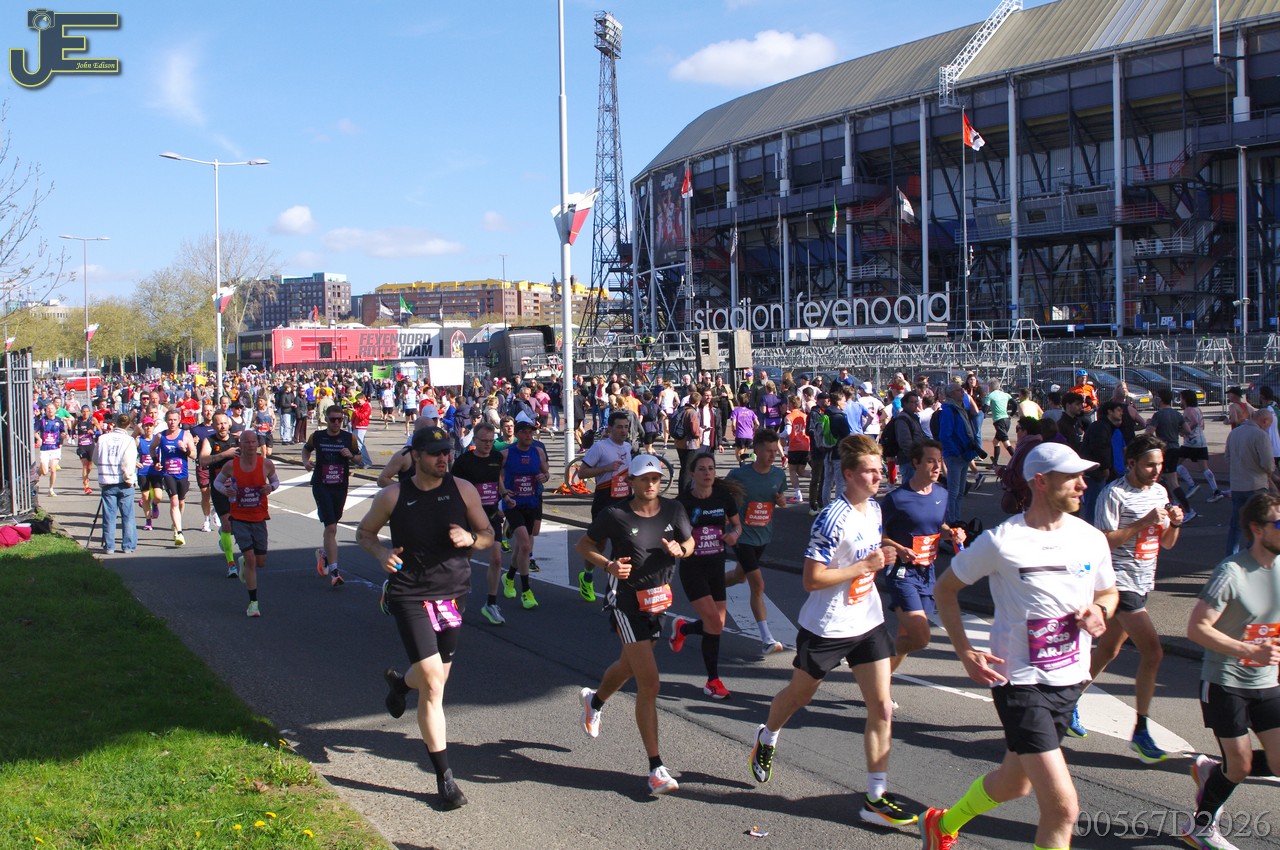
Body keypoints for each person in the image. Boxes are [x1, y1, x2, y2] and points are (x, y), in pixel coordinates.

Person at [922, 442, 1116, 850]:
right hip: (1020, 684)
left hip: (1070, 681)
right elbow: (945, 589)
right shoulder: (1002, 541)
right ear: (1041, 482)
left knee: (1015, 783)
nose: (1083, 485)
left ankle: (942, 824)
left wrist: (1100, 610)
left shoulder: (1091, 538)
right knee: (1063, 809)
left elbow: (1108, 591)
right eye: (1072, 477)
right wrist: (965, 651)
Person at [749, 434, 917, 829]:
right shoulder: (831, 518)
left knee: (881, 707)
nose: (879, 477)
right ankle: (768, 734)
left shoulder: (874, 509)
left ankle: (875, 797)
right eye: (871, 471)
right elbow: (812, 579)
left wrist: (891, 548)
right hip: (827, 626)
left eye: (880, 470)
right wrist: (864, 566)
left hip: (868, 620)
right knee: (799, 695)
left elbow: (868, 540)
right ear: (850, 475)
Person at [357, 425, 495, 810]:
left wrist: (472, 539)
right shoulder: (393, 495)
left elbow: (487, 533)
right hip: (410, 594)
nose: (443, 458)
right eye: (435, 453)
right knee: (434, 684)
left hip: (453, 594)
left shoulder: (463, 490)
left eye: (447, 452)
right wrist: (381, 553)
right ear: (415, 456)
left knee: (435, 678)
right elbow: (364, 533)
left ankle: (401, 684)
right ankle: (445, 778)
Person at [575, 453, 695, 796]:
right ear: (631, 481)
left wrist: (681, 550)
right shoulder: (616, 515)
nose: (651, 484)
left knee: (629, 665)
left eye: (655, 478)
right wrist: (608, 565)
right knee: (650, 682)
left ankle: (595, 701)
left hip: (657, 602)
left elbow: (689, 541)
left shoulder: (674, 510)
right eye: (644, 479)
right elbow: (584, 545)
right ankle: (656, 768)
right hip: (626, 602)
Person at [1183, 492, 1280, 850]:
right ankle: (1200, 827)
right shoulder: (1232, 572)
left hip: (1266, 681)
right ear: (1257, 528)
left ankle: (1213, 771)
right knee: (1238, 766)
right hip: (1224, 681)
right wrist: (1250, 650)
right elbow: (1196, 628)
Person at [1080, 434, 1184, 755]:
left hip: (1142, 581)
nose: (1156, 471)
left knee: (1109, 649)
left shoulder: (1160, 493)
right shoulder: (1114, 494)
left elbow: (1167, 543)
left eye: (1160, 465)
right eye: (1150, 465)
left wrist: (1175, 524)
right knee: (1153, 653)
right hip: (1118, 583)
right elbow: (1104, 541)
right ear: (1131, 464)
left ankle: (1065, 700)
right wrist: (1143, 522)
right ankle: (1141, 730)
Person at [880, 439, 965, 672]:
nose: (937, 467)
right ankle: (874, 665)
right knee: (921, 637)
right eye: (930, 461)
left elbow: (938, 526)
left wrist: (952, 534)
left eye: (939, 461)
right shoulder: (897, 499)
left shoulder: (941, 494)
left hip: (927, 572)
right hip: (901, 572)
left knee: (907, 634)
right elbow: (876, 534)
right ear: (916, 463)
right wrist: (899, 548)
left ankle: (880, 680)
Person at [671, 451, 743, 699]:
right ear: (692, 473)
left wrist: (733, 535)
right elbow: (671, 533)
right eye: (701, 469)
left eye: (711, 469)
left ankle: (683, 629)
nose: (707, 473)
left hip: (716, 567)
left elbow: (737, 525)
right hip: (693, 569)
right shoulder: (682, 503)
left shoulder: (723, 498)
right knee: (713, 622)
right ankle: (712, 681)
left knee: (717, 626)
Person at [726, 428, 790, 655]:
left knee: (738, 576)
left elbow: (779, 498)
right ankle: (766, 638)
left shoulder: (778, 475)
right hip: (742, 536)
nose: (772, 455)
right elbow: (724, 498)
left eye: (775, 451)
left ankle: (709, 585)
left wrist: (781, 501)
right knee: (758, 584)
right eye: (768, 451)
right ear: (756, 450)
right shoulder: (739, 475)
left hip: (763, 535)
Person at [213, 430, 280, 618]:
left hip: (259, 517)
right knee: (251, 559)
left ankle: (244, 562)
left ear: (257, 444)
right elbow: (217, 483)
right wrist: (225, 491)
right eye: (246, 442)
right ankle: (253, 603)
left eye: (253, 442)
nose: (250, 445)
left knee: (260, 562)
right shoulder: (231, 466)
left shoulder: (266, 464)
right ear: (240, 444)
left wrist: (270, 487)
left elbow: (275, 481)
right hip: (239, 517)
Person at [303, 404, 365, 587]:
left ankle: (324, 554)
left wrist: (351, 456)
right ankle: (335, 571)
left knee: (334, 525)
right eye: (333, 420)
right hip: (321, 485)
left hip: (340, 485)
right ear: (327, 419)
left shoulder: (348, 438)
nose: (337, 423)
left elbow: (359, 459)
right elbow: (306, 449)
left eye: (340, 419)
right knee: (330, 527)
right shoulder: (317, 436)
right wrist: (306, 462)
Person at [451, 423, 507, 624]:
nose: (488, 445)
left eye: (491, 441)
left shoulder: (496, 458)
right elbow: (453, 488)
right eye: (484, 441)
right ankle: (459, 598)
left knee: (497, 559)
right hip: (470, 517)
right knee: (464, 562)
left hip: (491, 515)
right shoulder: (464, 462)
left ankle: (491, 604)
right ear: (475, 440)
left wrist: (505, 495)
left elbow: (497, 479)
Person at [575, 411, 633, 602]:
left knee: (624, 544)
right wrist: (606, 469)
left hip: (624, 501)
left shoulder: (628, 447)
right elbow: (582, 473)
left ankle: (619, 588)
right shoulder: (600, 448)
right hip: (604, 500)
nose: (623, 430)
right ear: (610, 428)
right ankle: (587, 576)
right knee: (599, 543)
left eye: (626, 427)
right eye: (619, 427)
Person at [497, 419, 548, 611]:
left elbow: (546, 473)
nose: (529, 435)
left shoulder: (538, 452)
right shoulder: (506, 453)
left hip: (531, 503)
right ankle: (526, 590)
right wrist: (504, 493)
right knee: (526, 545)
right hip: (513, 504)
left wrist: (544, 477)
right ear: (517, 434)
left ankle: (509, 577)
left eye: (531, 432)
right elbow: (495, 474)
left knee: (522, 546)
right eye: (525, 432)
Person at [1224, 407, 1276, 556]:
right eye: (1268, 425)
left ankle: (1230, 556)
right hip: (1256, 485)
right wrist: (1270, 473)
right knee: (1257, 526)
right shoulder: (1260, 435)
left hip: (1237, 484)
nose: (1267, 428)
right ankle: (1253, 558)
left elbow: (1227, 457)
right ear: (1264, 421)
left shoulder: (1234, 433)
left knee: (1236, 526)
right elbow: (1267, 463)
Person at [199, 411, 244, 577]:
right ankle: (231, 564)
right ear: (213, 425)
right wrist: (225, 454)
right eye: (218, 423)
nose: (222, 426)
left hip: (238, 489)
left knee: (238, 524)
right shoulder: (210, 441)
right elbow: (202, 460)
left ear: (229, 424)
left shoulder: (237, 440)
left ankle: (226, 539)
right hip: (219, 489)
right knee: (226, 523)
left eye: (224, 423)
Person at [937, 382, 982, 525]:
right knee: (954, 490)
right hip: (956, 455)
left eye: (961, 390)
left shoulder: (959, 408)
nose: (962, 392)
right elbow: (945, 435)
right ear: (951, 394)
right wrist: (955, 452)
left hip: (964, 454)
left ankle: (956, 517)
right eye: (958, 390)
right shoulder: (949, 410)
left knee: (960, 490)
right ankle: (951, 519)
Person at [93, 413, 137, 555]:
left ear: (115, 423)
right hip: (124, 482)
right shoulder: (129, 440)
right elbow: (128, 463)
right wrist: (129, 479)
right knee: (127, 516)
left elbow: (95, 459)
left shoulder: (102, 439)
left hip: (107, 481)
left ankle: (109, 546)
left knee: (109, 516)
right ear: (128, 425)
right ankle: (128, 546)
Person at [154, 408, 198, 547]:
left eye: (174, 420)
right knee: (174, 501)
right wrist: (156, 462)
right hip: (167, 474)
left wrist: (185, 449)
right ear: (166, 421)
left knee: (181, 502)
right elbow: (152, 449)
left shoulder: (186, 435)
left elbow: (194, 455)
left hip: (182, 474)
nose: (172, 423)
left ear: (179, 421)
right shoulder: (161, 436)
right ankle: (179, 532)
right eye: (170, 420)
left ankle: (176, 523)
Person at [1177, 389, 1225, 504]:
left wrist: (1185, 431)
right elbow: (1202, 425)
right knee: (1204, 468)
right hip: (1201, 441)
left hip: (1191, 442)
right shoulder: (1198, 410)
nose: (1180, 401)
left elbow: (1194, 422)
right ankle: (1216, 490)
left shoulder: (1188, 410)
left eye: (1181, 398)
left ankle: (1192, 484)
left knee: (1176, 463)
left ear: (1185, 399)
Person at [135, 416, 164, 532]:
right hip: (143, 471)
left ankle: (155, 504)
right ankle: (148, 520)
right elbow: (129, 451)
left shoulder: (157, 439)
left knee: (158, 496)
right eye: (146, 426)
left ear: (153, 427)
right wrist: (134, 462)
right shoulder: (139, 440)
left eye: (150, 426)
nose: (148, 428)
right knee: (145, 496)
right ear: (143, 427)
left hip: (156, 471)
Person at [34, 401, 66, 497]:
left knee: (53, 469)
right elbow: (34, 432)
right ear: (46, 411)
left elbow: (62, 432)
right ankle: (38, 472)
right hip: (45, 448)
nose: (50, 410)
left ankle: (51, 489)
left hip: (55, 448)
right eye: (48, 409)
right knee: (44, 472)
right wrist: (39, 439)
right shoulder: (42, 421)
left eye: (52, 409)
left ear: (55, 410)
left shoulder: (59, 421)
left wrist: (64, 436)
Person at [985, 379, 1013, 466]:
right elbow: (1015, 404)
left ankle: (1017, 460)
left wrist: (983, 413)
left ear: (990, 387)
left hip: (999, 422)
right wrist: (1011, 414)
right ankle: (995, 462)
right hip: (1007, 420)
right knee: (995, 441)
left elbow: (985, 409)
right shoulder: (1006, 394)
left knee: (1006, 443)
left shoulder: (990, 395)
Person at [72, 405, 99, 495]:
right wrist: (73, 434)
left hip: (90, 445)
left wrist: (94, 432)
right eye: (84, 411)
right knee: (84, 465)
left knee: (89, 466)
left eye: (87, 411)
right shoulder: (78, 420)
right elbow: (72, 427)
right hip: (81, 445)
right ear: (81, 412)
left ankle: (85, 478)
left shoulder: (93, 420)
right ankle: (86, 486)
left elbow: (100, 431)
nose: (85, 413)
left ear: (89, 412)